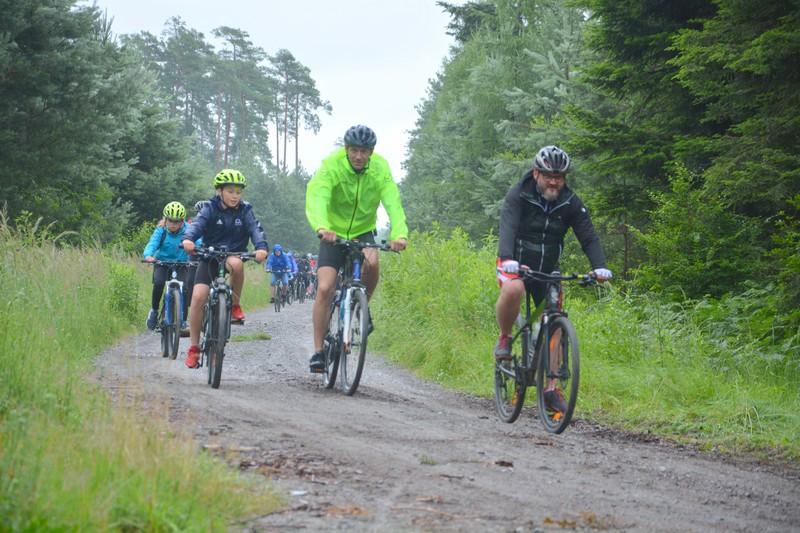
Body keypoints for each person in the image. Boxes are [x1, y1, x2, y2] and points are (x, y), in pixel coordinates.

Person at [495, 145, 612, 413]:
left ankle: (551, 387)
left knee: (556, 319)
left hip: (548, 268)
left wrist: (599, 267)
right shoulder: (519, 194)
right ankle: (504, 337)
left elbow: (588, 236)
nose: (554, 182)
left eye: (559, 177)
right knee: (513, 290)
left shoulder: (570, 202)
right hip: (517, 262)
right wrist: (508, 257)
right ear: (536, 173)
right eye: (549, 176)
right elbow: (508, 225)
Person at [305, 124, 409, 373]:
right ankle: (318, 352)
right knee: (325, 288)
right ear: (346, 149)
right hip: (332, 232)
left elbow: (393, 202)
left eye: (364, 151)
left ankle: (361, 307)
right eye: (354, 150)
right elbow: (318, 195)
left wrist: (399, 234)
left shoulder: (380, 168)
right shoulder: (332, 165)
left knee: (372, 263)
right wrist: (322, 226)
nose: (359, 156)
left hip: (363, 230)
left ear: (371, 152)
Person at [181, 169, 268, 369]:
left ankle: (235, 305)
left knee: (237, 264)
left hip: (233, 254)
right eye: (230, 191)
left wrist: (261, 247)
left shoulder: (245, 210)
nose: (235, 196)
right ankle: (194, 348)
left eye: (238, 192)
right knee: (198, 297)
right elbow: (197, 225)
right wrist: (188, 239)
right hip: (209, 256)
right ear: (219, 191)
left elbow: (255, 229)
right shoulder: (210, 208)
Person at [143, 201, 199, 331]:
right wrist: (148, 256)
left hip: (182, 264)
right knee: (159, 283)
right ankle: (154, 311)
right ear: (165, 219)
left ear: (182, 221)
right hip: (162, 263)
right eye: (170, 221)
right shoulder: (161, 231)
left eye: (177, 221)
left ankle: (183, 320)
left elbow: (198, 242)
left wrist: (199, 250)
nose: (173, 224)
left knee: (185, 289)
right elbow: (152, 244)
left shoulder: (189, 230)